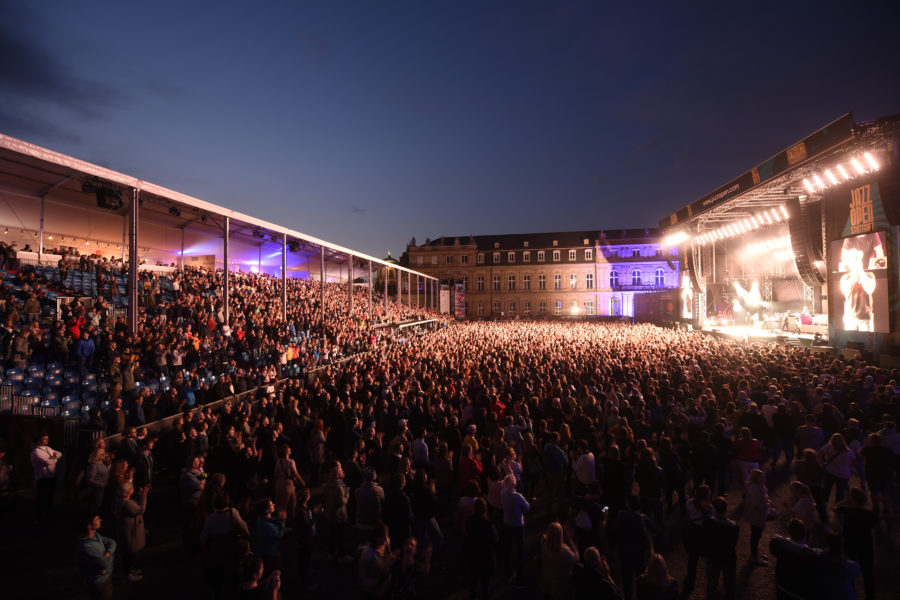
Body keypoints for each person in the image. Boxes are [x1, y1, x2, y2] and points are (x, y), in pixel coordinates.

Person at [835, 488, 876, 600]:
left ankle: (851, 594)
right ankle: (870, 596)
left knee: (849, 572)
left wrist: (844, 500)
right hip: (866, 546)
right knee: (868, 574)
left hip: (850, 545)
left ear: (852, 500)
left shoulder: (847, 511)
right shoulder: (870, 515)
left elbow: (834, 507)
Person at [769, 519, 824, 600]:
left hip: (781, 587)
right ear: (805, 535)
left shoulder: (781, 545)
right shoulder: (813, 555)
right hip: (799, 594)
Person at [112, 481, 147, 583]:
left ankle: (130, 570)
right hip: (130, 532)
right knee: (129, 554)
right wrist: (144, 496)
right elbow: (140, 509)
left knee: (128, 554)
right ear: (128, 492)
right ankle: (127, 574)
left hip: (125, 532)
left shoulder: (119, 501)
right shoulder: (127, 504)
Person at [75, 513, 116, 600]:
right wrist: (110, 556)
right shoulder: (87, 547)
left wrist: (107, 553)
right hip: (99, 583)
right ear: (89, 526)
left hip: (105, 576)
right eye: (97, 519)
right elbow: (105, 563)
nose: (100, 520)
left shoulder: (96, 535)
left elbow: (112, 542)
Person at [463, 498, 497, 600]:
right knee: (485, 584)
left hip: (472, 555)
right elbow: (495, 540)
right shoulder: (488, 524)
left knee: (473, 580)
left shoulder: (469, 520)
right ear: (485, 509)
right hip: (485, 557)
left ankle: (472, 595)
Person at [499, 473, 530, 586]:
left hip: (507, 523)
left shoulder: (503, 493)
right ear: (514, 484)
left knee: (507, 549)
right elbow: (527, 508)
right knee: (520, 550)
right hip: (517, 525)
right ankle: (520, 576)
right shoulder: (517, 496)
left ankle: (507, 573)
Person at [706, 496, 738, 600]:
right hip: (729, 558)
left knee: (712, 581)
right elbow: (734, 543)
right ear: (726, 509)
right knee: (730, 584)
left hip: (713, 557)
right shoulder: (734, 526)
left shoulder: (709, 523)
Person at [538, 521, 578, 600]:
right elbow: (576, 558)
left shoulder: (544, 545)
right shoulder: (565, 552)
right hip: (561, 586)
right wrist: (570, 541)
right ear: (561, 535)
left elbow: (544, 537)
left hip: (547, 581)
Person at [250, 498, 286, 575]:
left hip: (264, 551)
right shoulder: (267, 525)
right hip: (270, 553)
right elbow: (279, 535)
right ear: (267, 511)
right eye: (271, 504)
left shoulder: (262, 518)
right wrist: (282, 520)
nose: (274, 504)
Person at [31, 434, 62, 522]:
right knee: (42, 498)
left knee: (49, 496)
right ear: (39, 441)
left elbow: (60, 453)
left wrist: (54, 457)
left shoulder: (48, 448)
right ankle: (39, 517)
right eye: (45, 439)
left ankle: (48, 513)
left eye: (47, 439)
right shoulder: (37, 451)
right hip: (42, 478)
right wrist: (54, 458)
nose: (47, 440)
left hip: (51, 477)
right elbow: (48, 462)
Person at [743, 469, 772, 566]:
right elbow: (757, 504)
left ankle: (755, 552)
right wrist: (767, 505)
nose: (764, 478)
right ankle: (754, 556)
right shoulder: (755, 489)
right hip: (756, 516)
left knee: (756, 535)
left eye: (764, 476)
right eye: (761, 477)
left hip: (756, 515)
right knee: (755, 536)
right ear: (756, 478)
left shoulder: (758, 486)